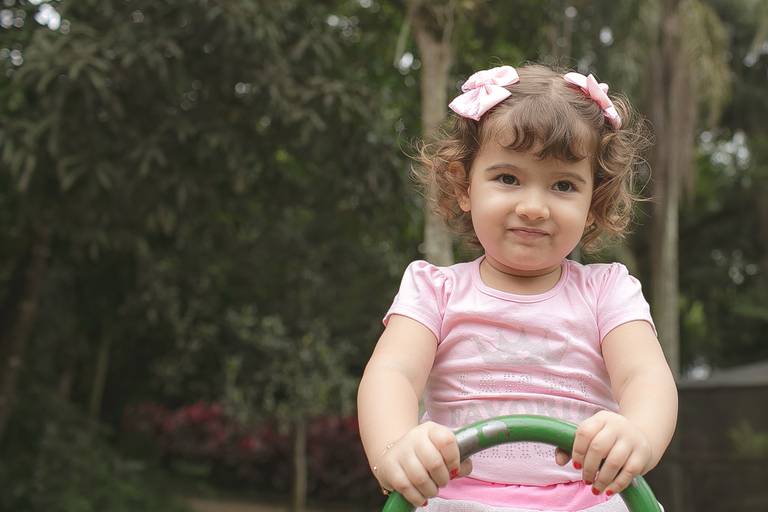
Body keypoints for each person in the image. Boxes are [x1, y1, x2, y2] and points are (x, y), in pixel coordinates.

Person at [357, 63, 678, 512]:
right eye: (507, 178)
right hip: (458, 500)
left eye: (563, 185)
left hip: (587, 501)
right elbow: (393, 374)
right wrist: (395, 448)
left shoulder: (608, 291)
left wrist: (638, 434)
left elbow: (644, 376)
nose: (532, 207)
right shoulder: (435, 290)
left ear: (593, 204)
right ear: (463, 185)